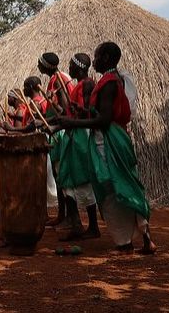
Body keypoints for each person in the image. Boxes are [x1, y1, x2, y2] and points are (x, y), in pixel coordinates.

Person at [54, 42, 156, 254]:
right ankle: (145, 239)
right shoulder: (110, 80)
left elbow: (104, 120)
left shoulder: (109, 82)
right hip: (114, 139)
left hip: (109, 142)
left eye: (98, 57)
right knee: (126, 184)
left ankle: (124, 243)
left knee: (112, 188)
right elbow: (102, 114)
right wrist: (82, 111)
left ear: (108, 58)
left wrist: (73, 123)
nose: (95, 61)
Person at [57, 53, 100, 241]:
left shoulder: (88, 84)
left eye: (71, 65)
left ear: (79, 67)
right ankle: (75, 224)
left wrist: (71, 119)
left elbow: (89, 114)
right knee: (66, 180)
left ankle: (93, 227)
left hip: (81, 135)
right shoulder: (78, 86)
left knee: (83, 180)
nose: (69, 68)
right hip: (73, 135)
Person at [38, 52, 74, 228]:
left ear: (47, 65)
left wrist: (49, 123)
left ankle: (68, 217)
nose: (38, 66)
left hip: (60, 132)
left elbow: (64, 110)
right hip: (54, 130)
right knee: (59, 176)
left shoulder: (59, 79)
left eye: (40, 63)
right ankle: (62, 214)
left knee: (63, 175)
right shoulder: (55, 79)